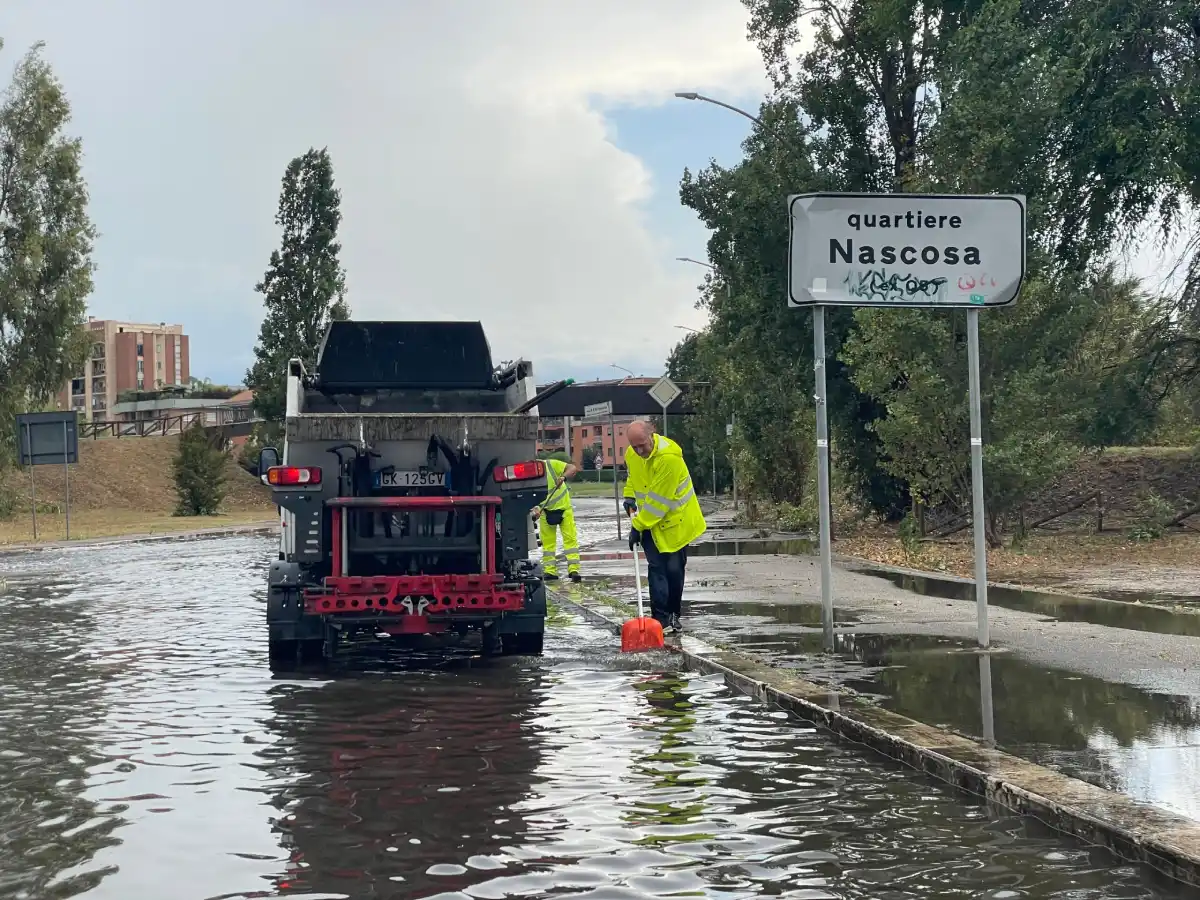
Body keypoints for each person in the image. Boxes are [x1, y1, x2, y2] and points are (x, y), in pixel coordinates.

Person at [622, 419, 706, 633]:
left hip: (676, 522)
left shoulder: (669, 459)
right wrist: (629, 496)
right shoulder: (632, 455)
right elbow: (634, 478)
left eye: (643, 445)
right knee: (656, 569)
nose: (639, 450)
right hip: (651, 523)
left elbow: (659, 502)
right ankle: (660, 621)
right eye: (635, 446)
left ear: (653, 435)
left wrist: (636, 527)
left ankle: (673, 614)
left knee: (674, 570)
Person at [532, 456, 582, 583]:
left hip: (564, 509)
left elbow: (572, 468)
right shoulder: (529, 476)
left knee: (570, 540)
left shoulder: (551, 465)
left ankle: (573, 570)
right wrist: (536, 509)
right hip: (545, 512)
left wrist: (563, 477)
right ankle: (550, 571)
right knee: (548, 543)